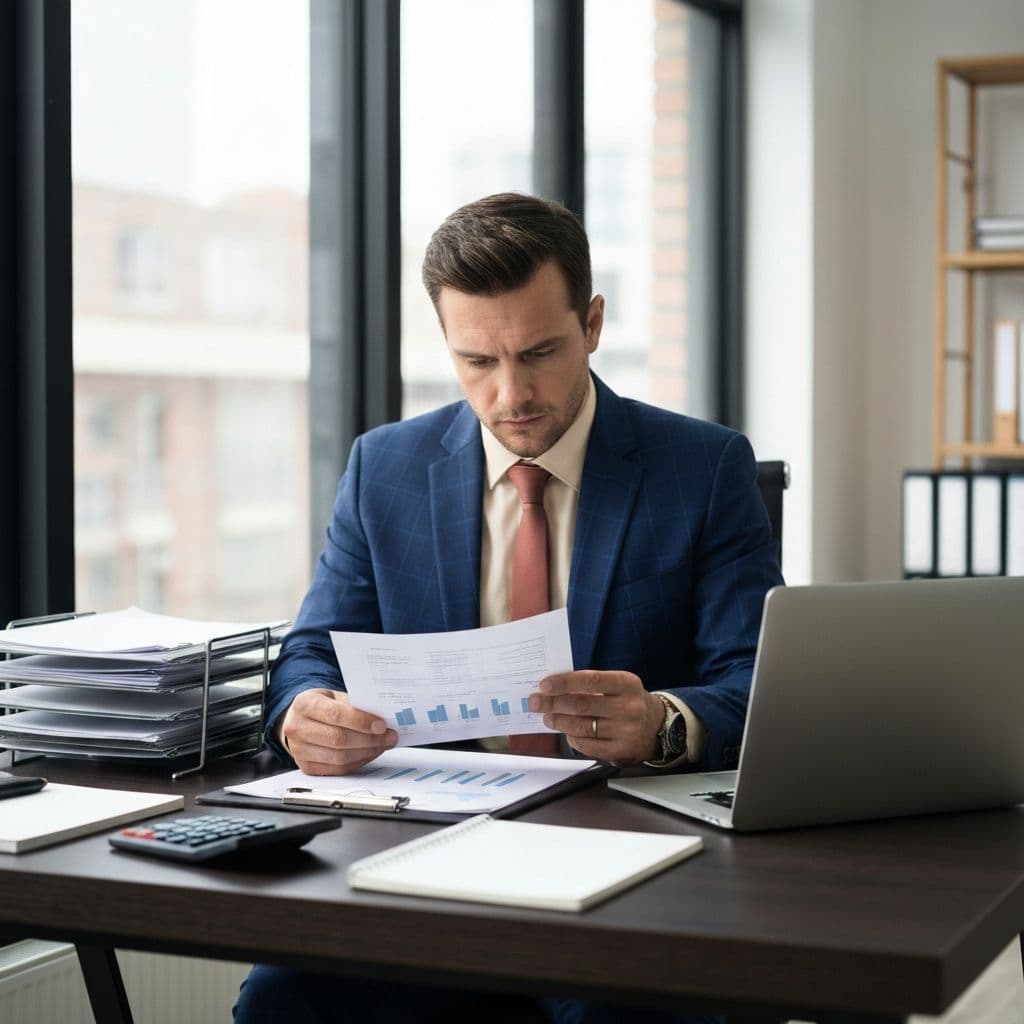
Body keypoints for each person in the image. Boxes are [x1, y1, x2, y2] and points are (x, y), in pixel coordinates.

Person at [233, 193, 784, 1024]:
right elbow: (311, 652)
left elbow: (757, 681)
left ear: (592, 323)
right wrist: (304, 713)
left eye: (540, 352)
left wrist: (665, 722)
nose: (511, 394)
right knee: (283, 1003)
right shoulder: (383, 468)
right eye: (477, 363)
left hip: (627, 862)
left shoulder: (701, 469)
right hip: (430, 855)